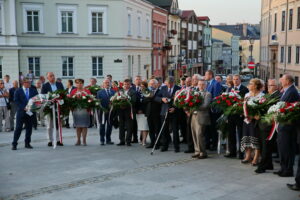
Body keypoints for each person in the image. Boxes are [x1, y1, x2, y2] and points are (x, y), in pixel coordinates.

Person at [275, 74, 300, 177]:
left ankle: (287, 170)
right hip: (283, 125)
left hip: (288, 126)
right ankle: (283, 168)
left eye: (283, 79)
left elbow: (287, 108)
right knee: (282, 148)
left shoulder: (292, 91)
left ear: (288, 81)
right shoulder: (287, 90)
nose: (280, 80)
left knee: (287, 149)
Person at [255, 79, 281, 174]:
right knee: (263, 146)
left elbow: (271, 110)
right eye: (268, 85)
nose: (269, 87)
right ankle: (269, 164)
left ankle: (262, 166)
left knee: (266, 147)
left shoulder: (277, 96)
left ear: (277, 86)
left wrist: (260, 114)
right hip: (263, 124)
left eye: (271, 85)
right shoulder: (268, 95)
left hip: (269, 125)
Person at [240, 78, 264, 166]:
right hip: (247, 120)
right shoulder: (247, 94)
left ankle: (256, 157)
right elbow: (244, 106)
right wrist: (243, 112)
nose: (249, 85)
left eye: (251, 83)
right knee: (247, 137)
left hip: (255, 121)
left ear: (255, 86)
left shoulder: (261, 95)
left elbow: (262, 109)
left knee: (255, 138)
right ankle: (248, 156)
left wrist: (254, 115)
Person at [225, 74, 249, 159]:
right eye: (234, 79)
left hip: (240, 115)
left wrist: (243, 112)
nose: (235, 81)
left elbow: (246, 102)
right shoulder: (229, 89)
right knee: (231, 134)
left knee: (240, 134)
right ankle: (232, 152)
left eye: (237, 79)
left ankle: (241, 153)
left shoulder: (244, 89)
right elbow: (226, 102)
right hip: (231, 115)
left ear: (240, 80)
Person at [155, 76, 181, 152]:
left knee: (175, 130)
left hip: (174, 112)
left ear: (174, 82)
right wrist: (162, 99)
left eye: (171, 84)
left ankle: (177, 147)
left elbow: (181, 100)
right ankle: (164, 146)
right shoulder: (163, 88)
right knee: (164, 129)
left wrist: (175, 108)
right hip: (164, 111)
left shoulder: (178, 88)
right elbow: (156, 97)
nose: (169, 85)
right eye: (168, 84)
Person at [11, 78, 38, 150]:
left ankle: (27, 143)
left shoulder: (33, 90)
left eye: (30, 82)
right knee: (18, 128)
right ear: (24, 83)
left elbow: (37, 99)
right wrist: (23, 107)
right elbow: (16, 101)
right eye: (28, 82)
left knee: (29, 128)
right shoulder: (18, 91)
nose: (29, 84)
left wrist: (34, 107)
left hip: (30, 112)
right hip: (21, 112)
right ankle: (14, 144)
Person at [189, 79, 212, 159]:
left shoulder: (207, 94)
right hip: (193, 116)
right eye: (199, 84)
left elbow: (206, 105)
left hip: (202, 116)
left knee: (200, 134)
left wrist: (195, 106)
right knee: (194, 134)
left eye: (202, 84)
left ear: (205, 85)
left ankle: (203, 152)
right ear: (197, 84)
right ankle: (197, 151)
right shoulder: (194, 93)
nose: (201, 86)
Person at [41, 72, 64, 147]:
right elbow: (42, 96)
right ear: (47, 78)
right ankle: (50, 140)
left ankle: (58, 140)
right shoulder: (45, 86)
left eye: (53, 75)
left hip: (58, 107)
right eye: (51, 76)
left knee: (58, 124)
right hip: (49, 107)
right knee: (49, 125)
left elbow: (63, 94)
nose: (53, 77)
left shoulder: (59, 84)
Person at [70, 79, 91, 146]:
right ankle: (78, 140)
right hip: (76, 110)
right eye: (78, 83)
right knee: (78, 126)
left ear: (83, 84)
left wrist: (86, 99)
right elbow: (70, 100)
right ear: (75, 84)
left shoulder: (86, 91)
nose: (79, 84)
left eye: (81, 83)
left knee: (84, 126)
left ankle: (84, 140)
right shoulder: (73, 91)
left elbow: (90, 99)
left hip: (84, 110)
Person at [205, 70, 222, 151]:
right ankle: (208, 143)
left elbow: (216, 97)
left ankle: (214, 145)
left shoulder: (216, 83)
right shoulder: (209, 83)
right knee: (208, 128)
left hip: (213, 110)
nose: (205, 76)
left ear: (210, 75)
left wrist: (209, 104)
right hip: (208, 109)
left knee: (213, 128)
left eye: (206, 74)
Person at [117, 79, 137, 146]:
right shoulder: (120, 91)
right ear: (123, 84)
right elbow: (116, 99)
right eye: (125, 84)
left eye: (127, 84)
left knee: (129, 126)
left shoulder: (133, 92)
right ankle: (121, 140)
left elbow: (134, 101)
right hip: (121, 110)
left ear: (130, 85)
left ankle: (128, 140)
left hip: (129, 111)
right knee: (121, 126)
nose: (126, 85)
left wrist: (126, 102)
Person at [97, 79, 115, 145]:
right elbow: (98, 102)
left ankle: (108, 139)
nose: (107, 84)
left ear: (110, 83)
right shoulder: (99, 92)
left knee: (110, 125)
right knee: (102, 125)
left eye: (108, 82)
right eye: (105, 83)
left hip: (111, 111)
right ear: (103, 84)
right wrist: (103, 109)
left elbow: (115, 101)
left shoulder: (113, 92)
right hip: (103, 112)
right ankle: (102, 140)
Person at [144, 79, 161, 149]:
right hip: (149, 113)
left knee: (157, 129)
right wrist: (150, 97)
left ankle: (157, 144)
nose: (151, 85)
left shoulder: (160, 91)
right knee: (151, 129)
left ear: (156, 84)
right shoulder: (147, 91)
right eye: (150, 84)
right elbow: (145, 100)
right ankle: (152, 143)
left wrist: (152, 97)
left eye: (153, 83)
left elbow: (159, 100)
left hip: (157, 113)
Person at [136, 81, 149, 146]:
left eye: (143, 86)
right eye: (141, 86)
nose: (141, 87)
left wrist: (142, 110)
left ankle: (144, 140)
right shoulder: (138, 93)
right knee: (141, 127)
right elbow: (136, 103)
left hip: (145, 112)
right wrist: (138, 110)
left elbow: (147, 103)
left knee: (145, 127)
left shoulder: (147, 93)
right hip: (138, 112)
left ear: (146, 87)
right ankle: (142, 139)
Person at [132, 76, 142, 143]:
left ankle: (142, 138)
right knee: (134, 124)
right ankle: (135, 138)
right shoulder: (131, 89)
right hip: (133, 109)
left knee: (142, 124)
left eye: (139, 79)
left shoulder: (144, 88)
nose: (138, 81)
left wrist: (141, 109)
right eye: (136, 79)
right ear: (134, 81)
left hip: (141, 110)